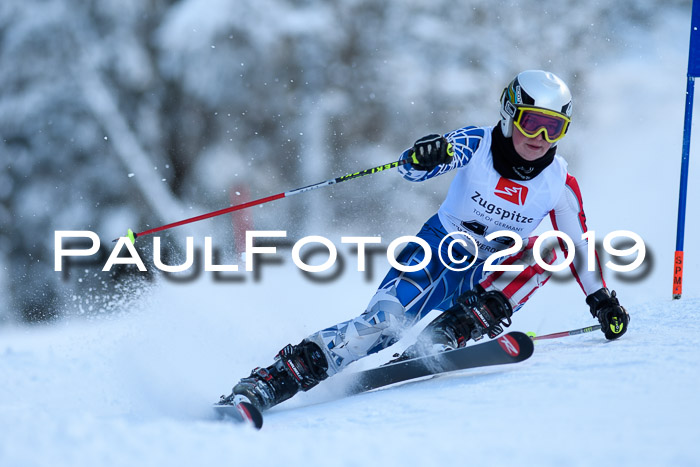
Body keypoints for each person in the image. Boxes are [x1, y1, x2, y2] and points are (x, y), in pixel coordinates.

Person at [228, 70, 630, 412]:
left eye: (553, 127)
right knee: (382, 326)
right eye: (531, 122)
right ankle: (271, 381)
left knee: (552, 246)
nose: (540, 136)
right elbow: (417, 168)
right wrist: (425, 155)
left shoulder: (560, 183)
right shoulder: (478, 144)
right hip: (437, 252)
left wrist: (601, 300)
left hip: (488, 274)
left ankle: (454, 329)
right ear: (510, 115)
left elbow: (578, 246)